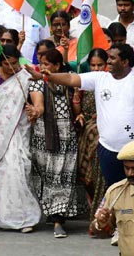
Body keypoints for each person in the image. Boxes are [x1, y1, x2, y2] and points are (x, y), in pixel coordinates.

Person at [37, 42, 134, 191]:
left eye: (112, 58)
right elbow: (71, 79)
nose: (108, 61)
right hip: (108, 150)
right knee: (115, 191)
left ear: (125, 62)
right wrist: (48, 76)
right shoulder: (100, 78)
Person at [26, 47, 87, 238]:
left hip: (67, 137)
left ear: (57, 66)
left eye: (47, 64)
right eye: (41, 64)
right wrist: (35, 112)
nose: (43, 67)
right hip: (45, 137)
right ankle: (53, 214)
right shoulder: (36, 83)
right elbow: (39, 105)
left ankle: (58, 221)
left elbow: (76, 104)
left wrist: (79, 114)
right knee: (49, 178)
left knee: (63, 178)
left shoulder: (68, 80)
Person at [0, 45, 42, 233]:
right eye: (6, 64)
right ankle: (6, 217)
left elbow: (38, 95)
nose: (11, 68)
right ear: (0, 62)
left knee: (20, 169)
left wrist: (34, 109)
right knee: (6, 171)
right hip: (0, 130)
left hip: (21, 128)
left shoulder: (26, 75)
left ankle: (26, 216)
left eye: (13, 63)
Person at [75, 49, 110, 223]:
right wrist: (79, 113)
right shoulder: (84, 81)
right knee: (87, 174)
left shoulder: (112, 82)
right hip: (86, 130)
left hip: (105, 130)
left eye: (100, 65)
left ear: (106, 65)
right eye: (93, 65)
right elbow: (77, 107)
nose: (96, 69)